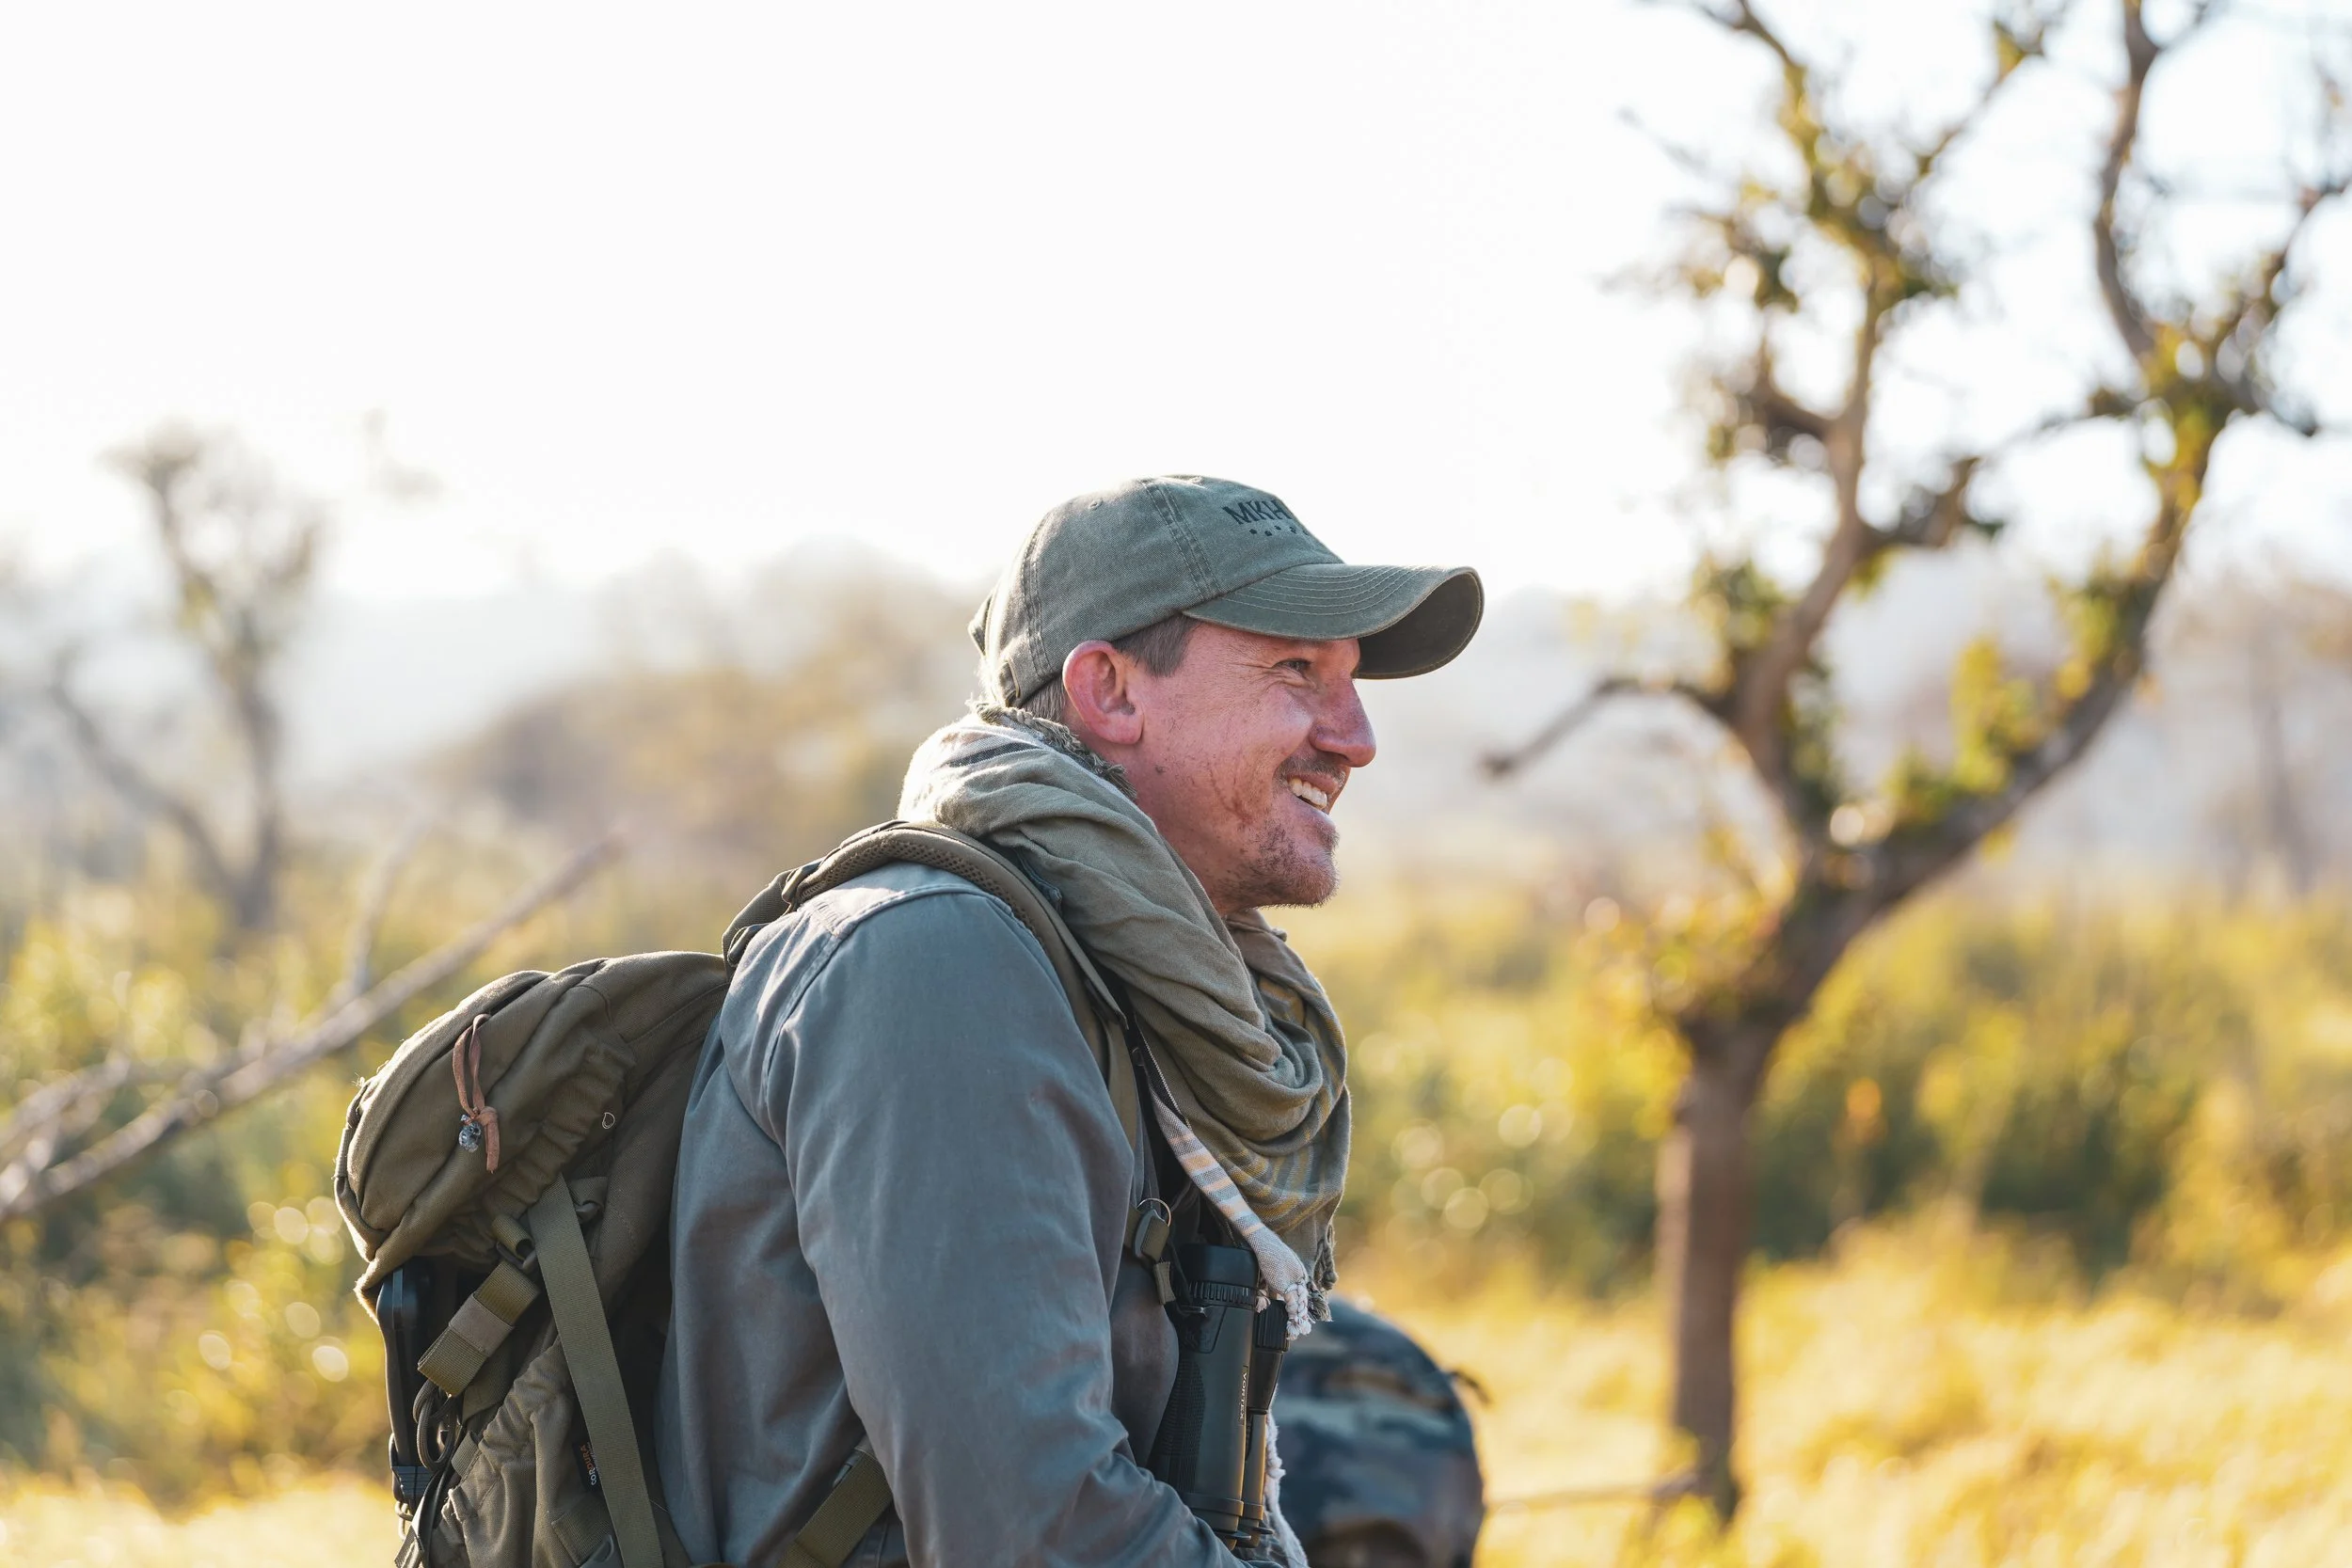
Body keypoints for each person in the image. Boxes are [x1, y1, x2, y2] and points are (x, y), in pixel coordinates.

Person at [656, 476, 1482, 1565]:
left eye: (1350, 681)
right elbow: (1033, 1528)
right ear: (1110, 690)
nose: (1356, 736)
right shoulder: (936, 965)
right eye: (1296, 670)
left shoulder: (1124, 983)